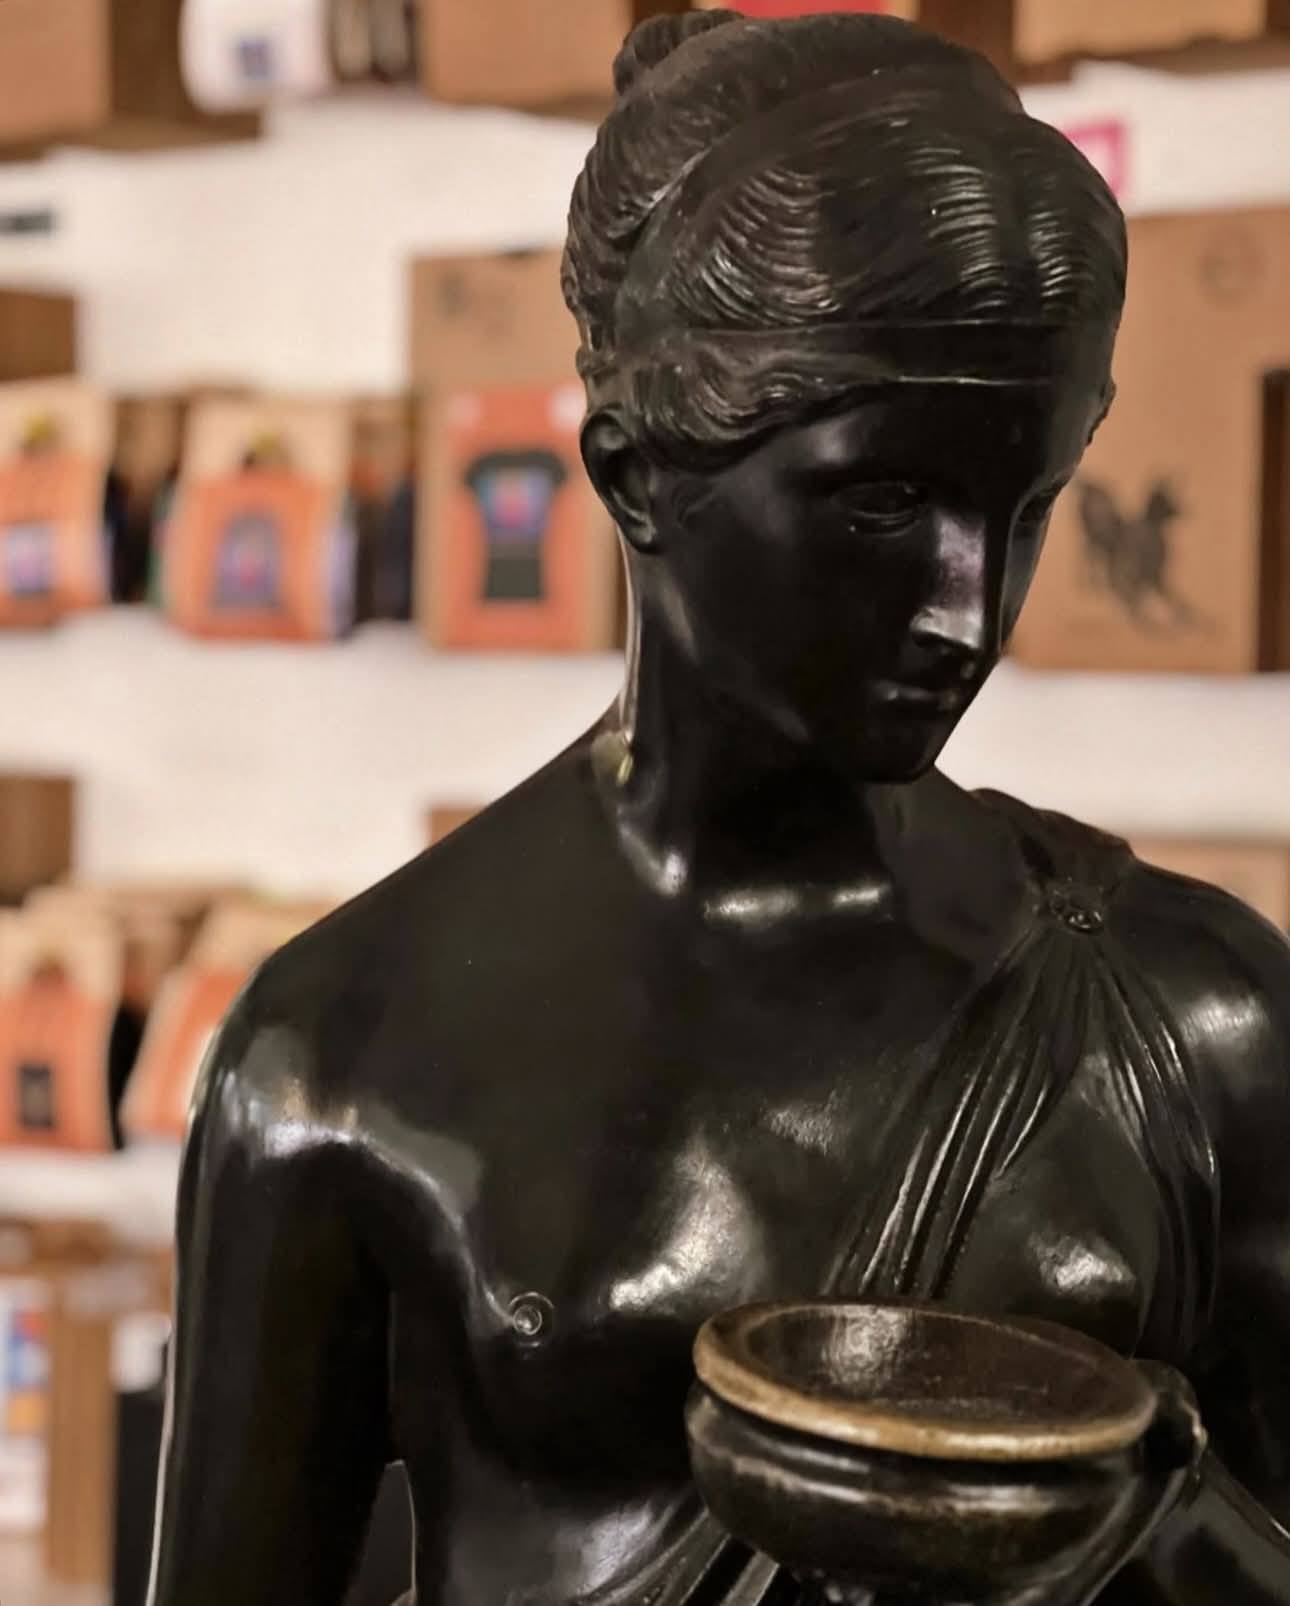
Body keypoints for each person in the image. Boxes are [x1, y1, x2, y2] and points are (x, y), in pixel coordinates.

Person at [147, 13, 1290, 1604]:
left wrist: (1150, 1525)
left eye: (1023, 507)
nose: (969, 612)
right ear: (634, 475)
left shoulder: (1193, 1014)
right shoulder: (343, 1047)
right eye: (883, 501)